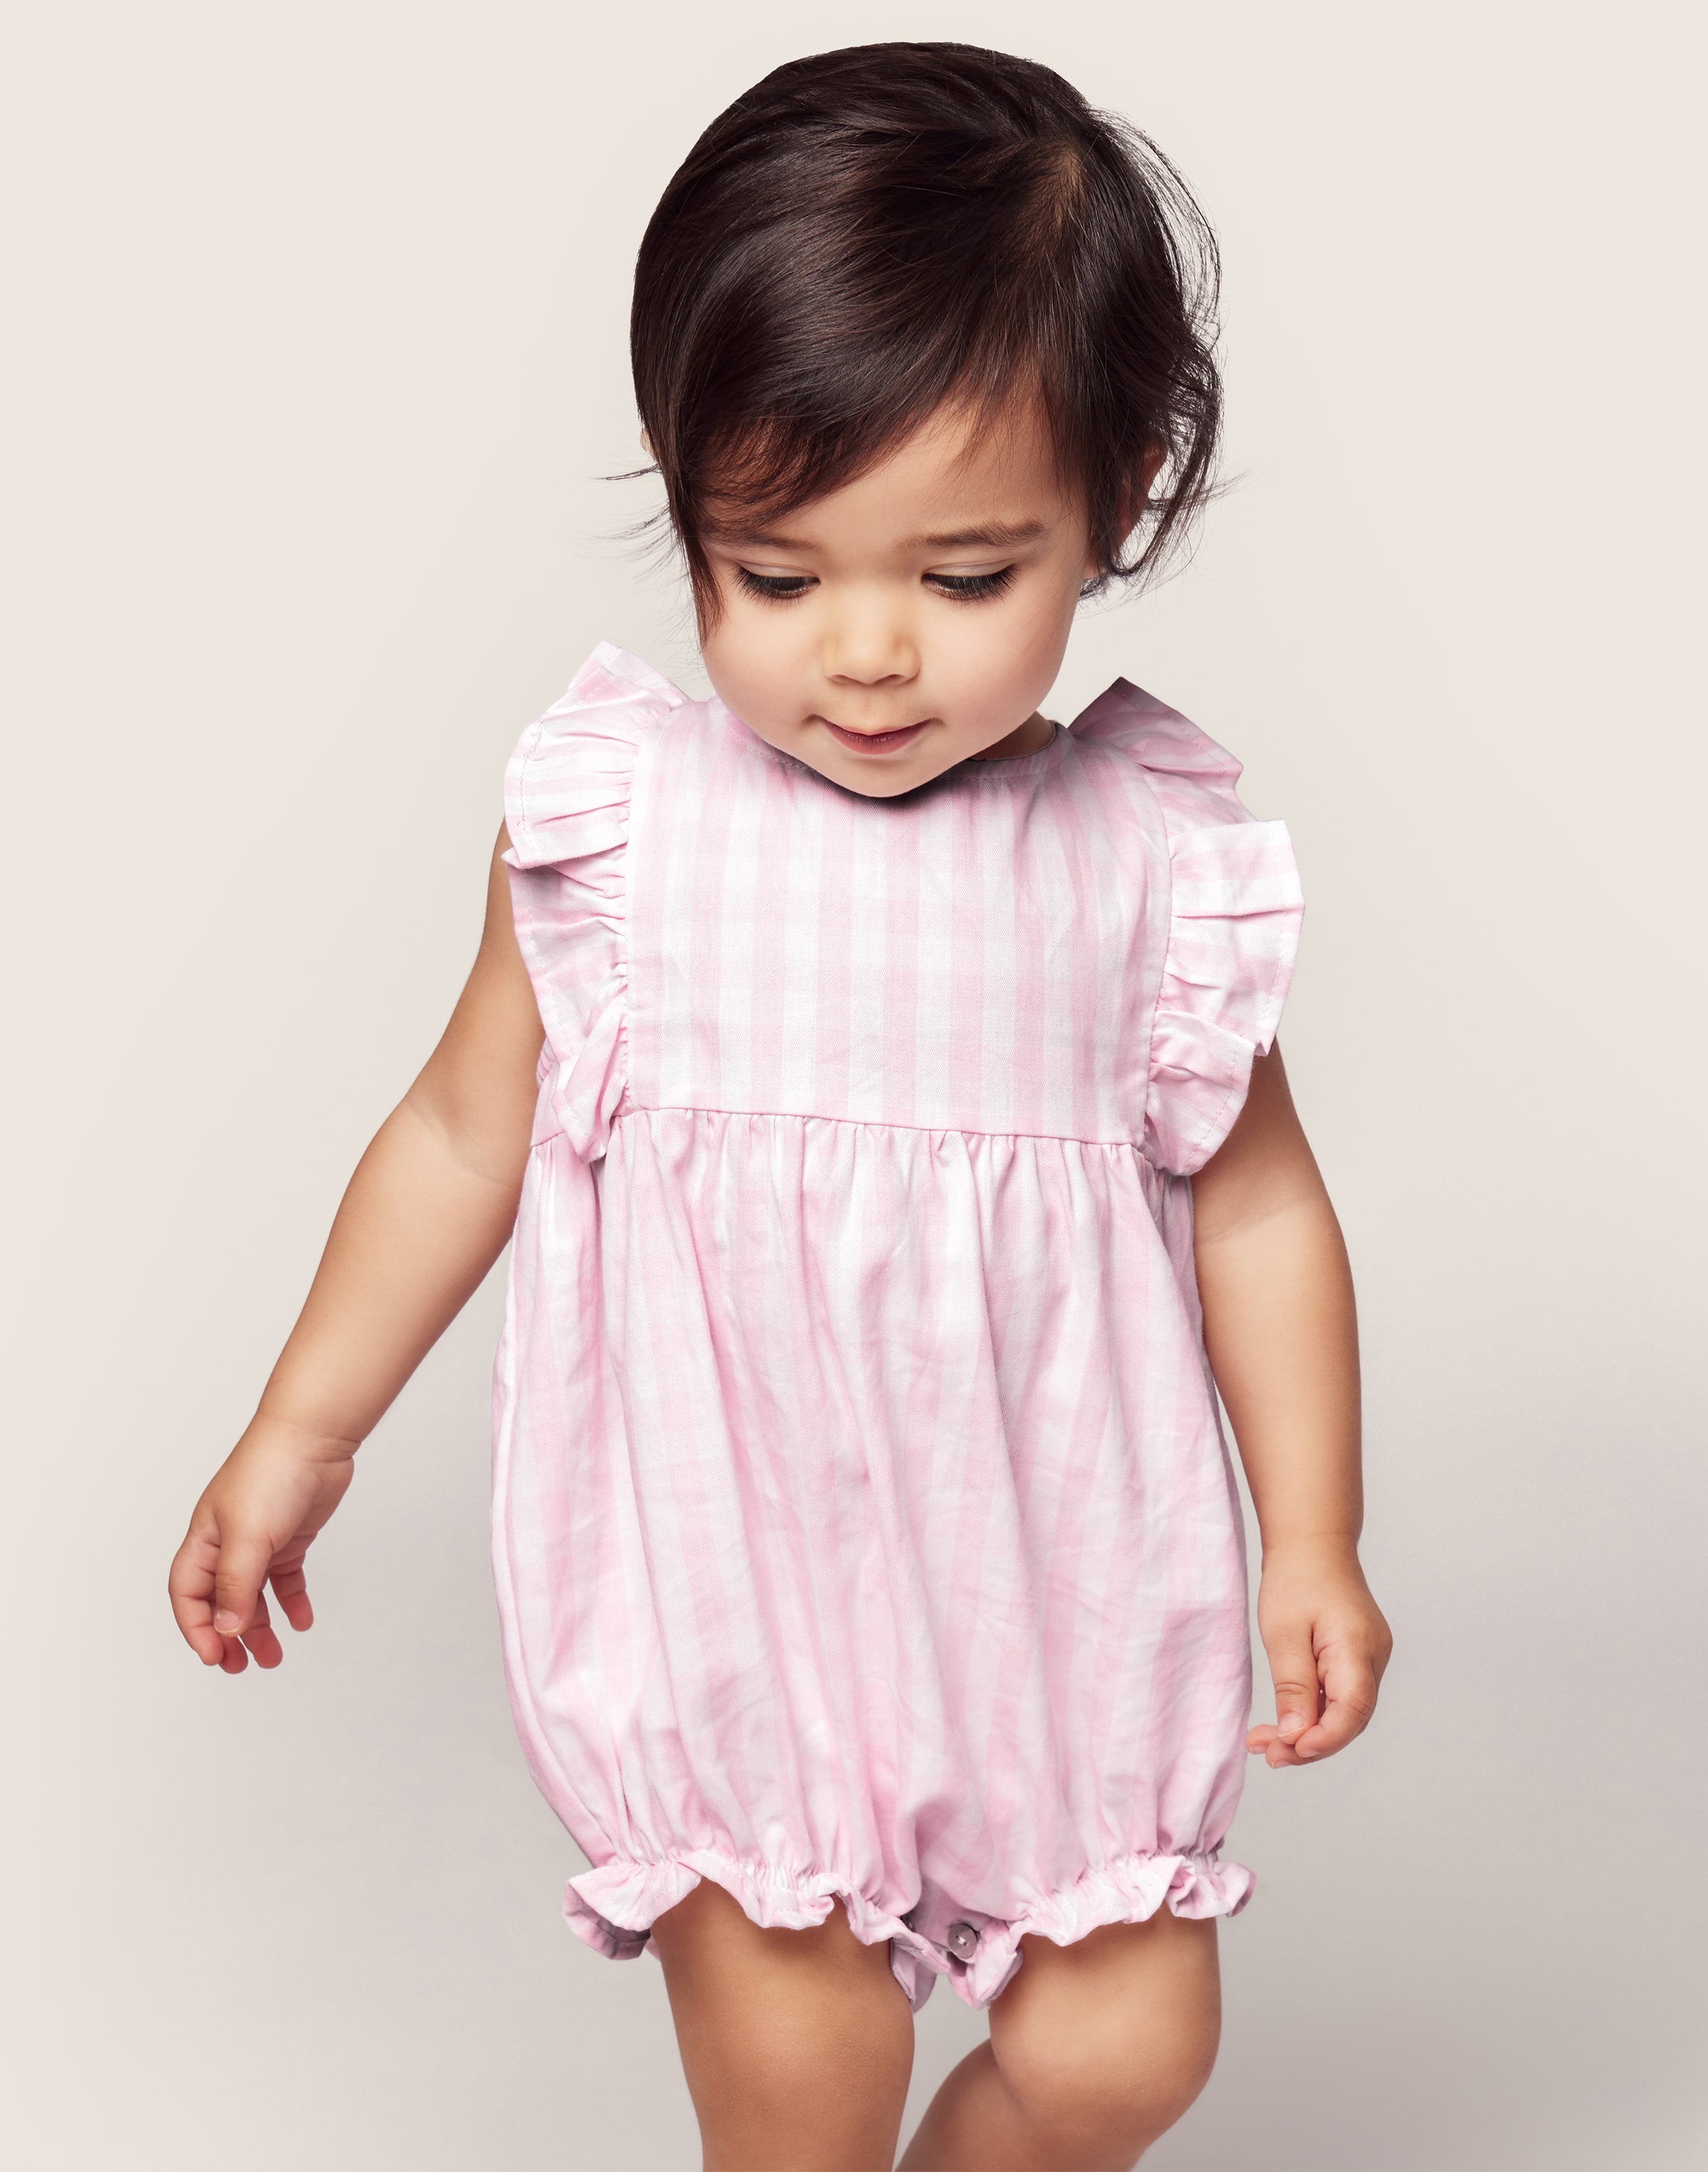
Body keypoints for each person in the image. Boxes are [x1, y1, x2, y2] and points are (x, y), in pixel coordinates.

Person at [169, 42, 1392, 2172]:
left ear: (1122, 497)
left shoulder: (1145, 857)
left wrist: (1314, 1530)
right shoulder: (624, 829)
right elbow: (464, 1134)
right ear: (692, 507)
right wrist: (302, 1430)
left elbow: (1262, 1209)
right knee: (803, 2093)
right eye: (778, 571)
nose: (869, 655)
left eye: (965, 575)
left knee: (1121, 2056)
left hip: (1057, 1588)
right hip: (734, 1590)